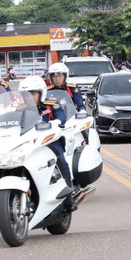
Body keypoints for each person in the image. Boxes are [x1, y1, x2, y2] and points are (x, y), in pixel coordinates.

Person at [17, 75, 76, 210]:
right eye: (26, 95)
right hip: (28, 143)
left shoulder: (51, 104)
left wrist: (56, 122)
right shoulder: (20, 109)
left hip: (49, 142)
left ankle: (68, 195)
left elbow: (61, 117)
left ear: (41, 93)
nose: (29, 98)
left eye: (32, 94)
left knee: (60, 159)